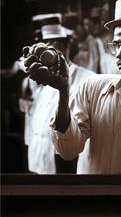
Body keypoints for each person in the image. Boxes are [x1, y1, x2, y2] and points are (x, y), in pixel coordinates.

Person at [24, 0, 121, 174]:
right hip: (88, 202)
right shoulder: (92, 88)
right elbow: (68, 151)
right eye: (116, 44)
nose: (119, 54)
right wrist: (63, 91)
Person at [26, 18, 94, 174]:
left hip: (64, 156)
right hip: (38, 153)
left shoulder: (85, 77)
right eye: (45, 44)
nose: (48, 50)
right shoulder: (43, 79)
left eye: (53, 44)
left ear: (66, 45)